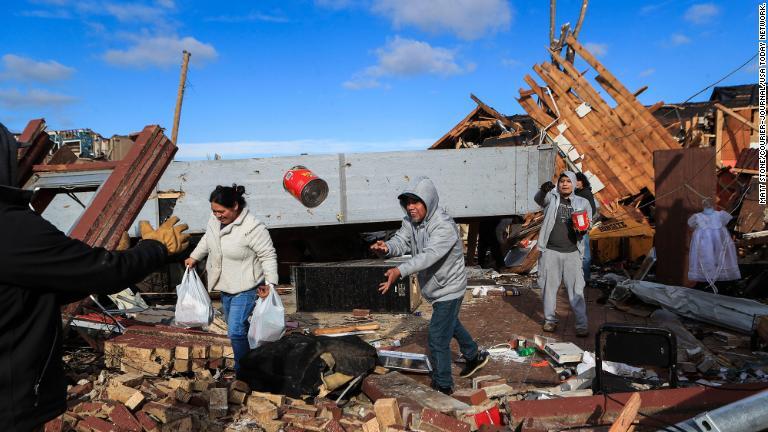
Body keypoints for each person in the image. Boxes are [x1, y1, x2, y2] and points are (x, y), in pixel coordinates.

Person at [0, 123, 190, 431]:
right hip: (10, 405)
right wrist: (156, 248)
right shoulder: (13, 229)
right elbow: (105, 274)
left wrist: (95, 261)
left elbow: (35, 289)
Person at [370, 176, 488, 395]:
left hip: (450, 288)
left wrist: (400, 271)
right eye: (407, 202)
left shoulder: (443, 226)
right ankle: (474, 355)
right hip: (433, 288)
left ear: (429, 201)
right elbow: (401, 241)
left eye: (416, 202)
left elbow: (428, 256)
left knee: (436, 337)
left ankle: (443, 385)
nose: (411, 207)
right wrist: (386, 248)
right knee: (450, 324)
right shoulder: (410, 222)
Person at [185, 184, 278, 376]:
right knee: (238, 327)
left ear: (235, 206)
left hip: (247, 287)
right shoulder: (214, 220)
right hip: (225, 285)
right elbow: (207, 239)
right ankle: (256, 358)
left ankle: (244, 373)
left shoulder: (252, 228)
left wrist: (270, 285)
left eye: (221, 211)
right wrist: (195, 257)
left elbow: (268, 255)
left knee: (235, 330)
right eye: (214, 211)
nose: (217, 215)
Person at [534, 171, 592, 337]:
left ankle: (581, 324)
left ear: (574, 183)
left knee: (576, 290)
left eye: (568, 181)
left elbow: (589, 223)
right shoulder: (551, 198)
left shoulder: (583, 202)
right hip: (551, 252)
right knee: (548, 288)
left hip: (572, 253)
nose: (564, 184)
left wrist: (583, 228)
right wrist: (543, 190)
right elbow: (539, 199)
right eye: (562, 181)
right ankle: (550, 320)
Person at [574, 172, 598, 286]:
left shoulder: (585, 193)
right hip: (575, 228)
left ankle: (586, 278)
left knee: (585, 254)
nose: (576, 183)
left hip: (582, 228)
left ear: (583, 181)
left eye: (578, 180)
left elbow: (592, 210)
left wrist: (584, 223)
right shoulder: (576, 193)